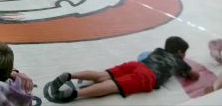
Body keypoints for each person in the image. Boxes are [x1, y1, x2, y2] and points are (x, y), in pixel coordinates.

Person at [49, 36, 199, 103]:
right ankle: (75, 94)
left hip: (137, 64)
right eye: (184, 52)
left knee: (103, 75)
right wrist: (184, 67)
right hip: (148, 76)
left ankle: (70, 75)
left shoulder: (158, 50)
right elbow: (194, 75)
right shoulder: (179, 61)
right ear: (180, 52)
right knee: (114, 85)